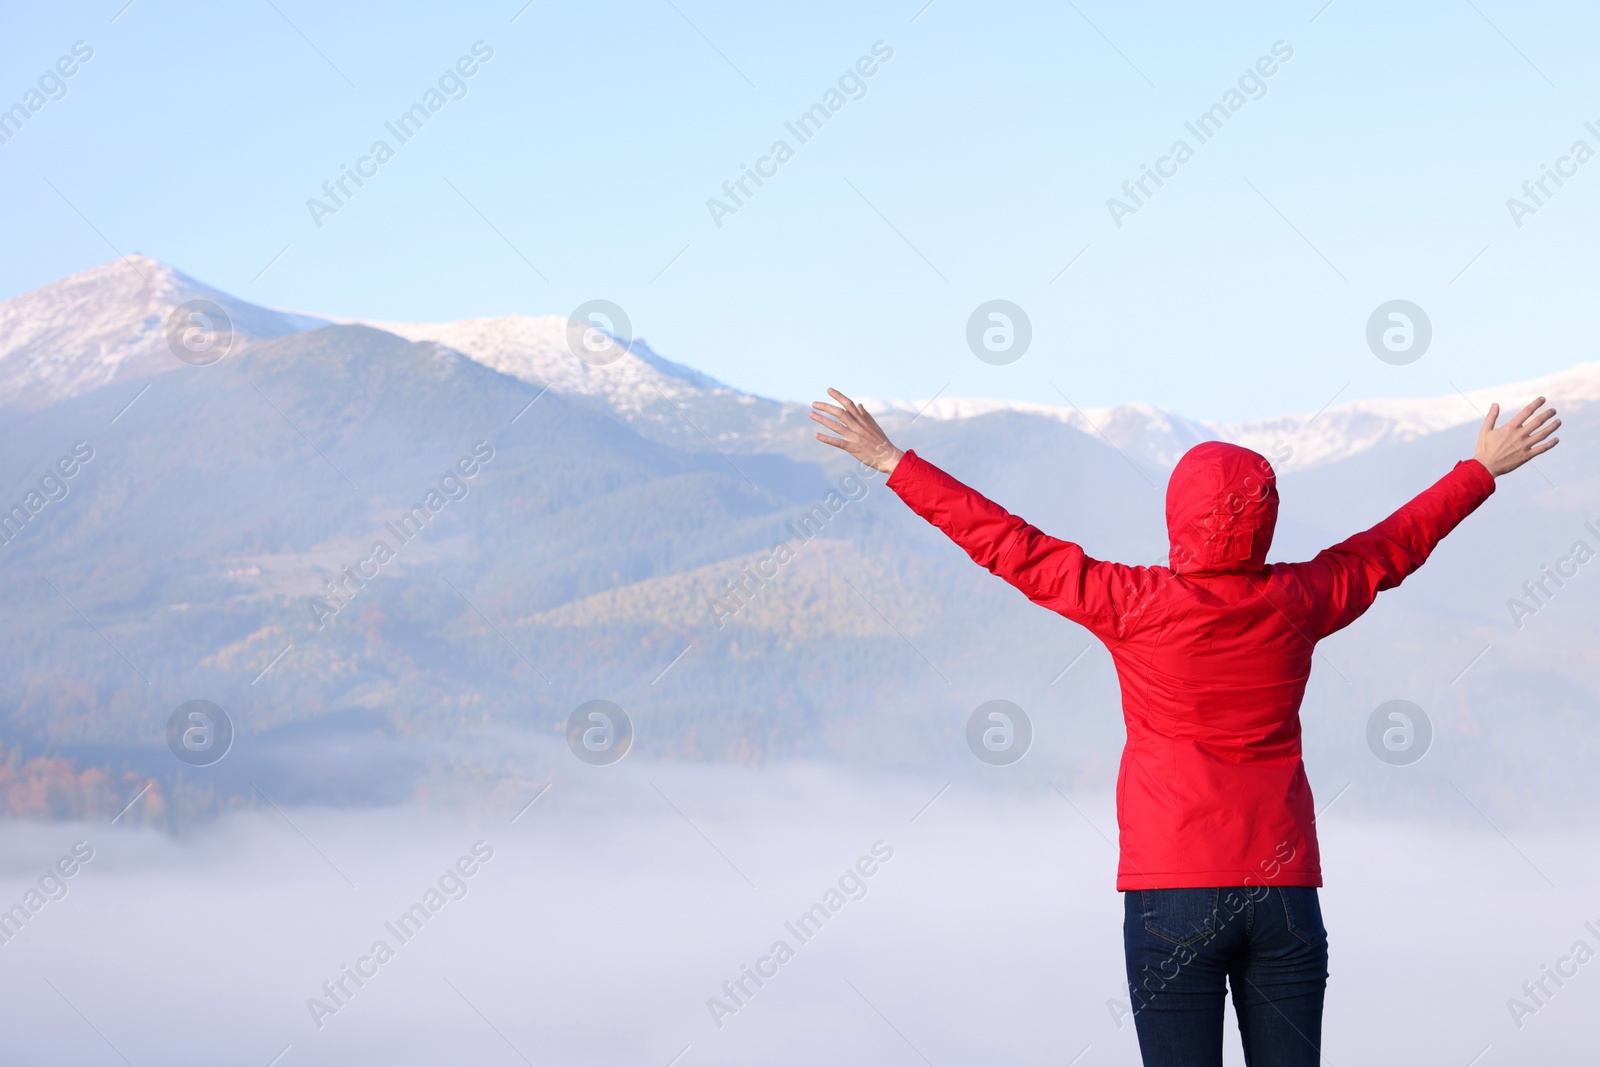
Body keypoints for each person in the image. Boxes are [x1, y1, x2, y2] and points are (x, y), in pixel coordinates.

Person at [810, 388, 1560, 1067]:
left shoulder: (1129, 601)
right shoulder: (1303, 597)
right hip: (1284, 891)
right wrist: (1479, 469)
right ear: (1265, 516)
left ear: (1177, 515)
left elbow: (1010, 545)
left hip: (1172, 890)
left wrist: (891, 460)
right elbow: (1394, 544)